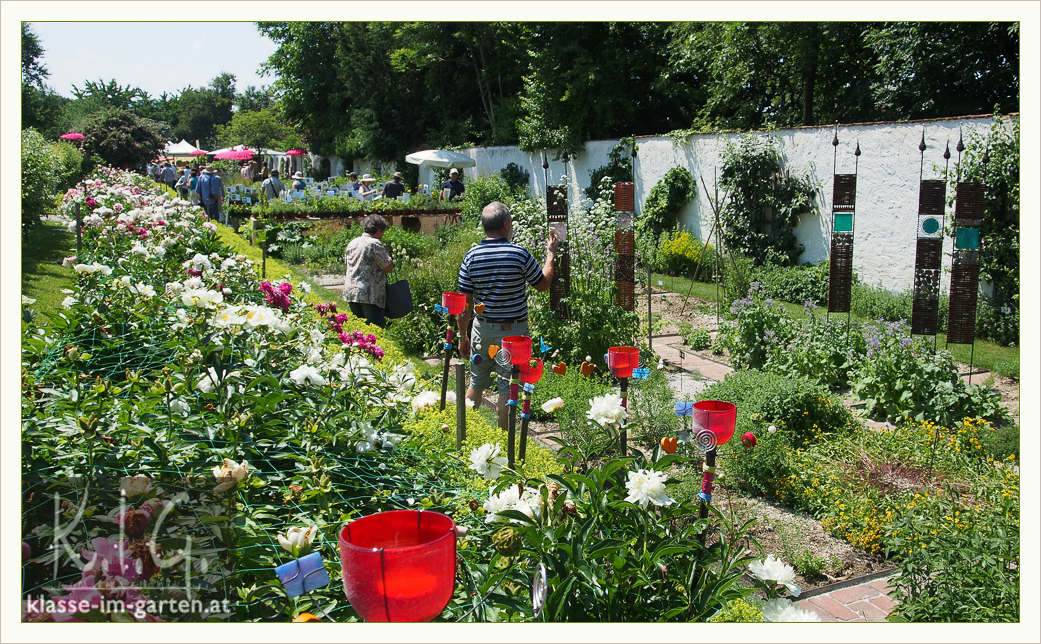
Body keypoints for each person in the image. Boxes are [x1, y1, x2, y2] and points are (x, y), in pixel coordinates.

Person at [456, 201, 559, 429]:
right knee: (508, 386)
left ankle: (464, 435)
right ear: (506, 224)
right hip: (514, 336)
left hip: (482, 331)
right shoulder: (518, 254)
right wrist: (550, 256)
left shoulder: (471, 257)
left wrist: (462, 337)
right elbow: (542, 285)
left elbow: (464, 306)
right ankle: (506, 443)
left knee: (476, 383)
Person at [343, 214, 394, 328]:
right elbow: (388, 267)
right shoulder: (374, 243)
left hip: (351, 292)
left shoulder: (352, 243)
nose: (383, 235)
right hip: (370, 294)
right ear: (379, 230)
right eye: (383, 232)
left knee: (359, 331)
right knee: (375, 330)